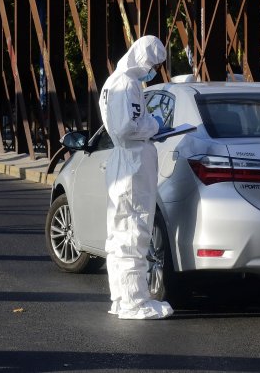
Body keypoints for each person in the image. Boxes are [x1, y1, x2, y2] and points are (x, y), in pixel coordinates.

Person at [98, 35, 174, 320]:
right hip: (133, 163)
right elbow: (130, 126)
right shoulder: (127, 84)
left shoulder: (112, 82)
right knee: (134, 230)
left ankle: (122, 297)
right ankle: (134, 302)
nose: (153, 69)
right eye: (153, 63)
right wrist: (155, 125)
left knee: (119, 232)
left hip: (121, 161)